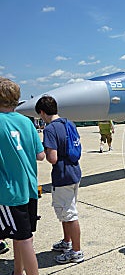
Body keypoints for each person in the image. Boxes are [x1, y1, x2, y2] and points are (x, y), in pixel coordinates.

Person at [0, 77, 45, 275]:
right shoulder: (27, 122)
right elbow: (41, 155)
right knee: (21, 235)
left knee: (24, 239)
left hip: (9, 192)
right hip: (29, 188)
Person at [35, 95, 84, 264]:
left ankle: (76, 251)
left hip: (62, 175)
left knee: (69, 214)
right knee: (66, 210)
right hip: (74, 171)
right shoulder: (68, 123)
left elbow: (52, 158)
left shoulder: (50, 129)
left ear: (42, 112)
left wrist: (44, 150)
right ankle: (67, 241)